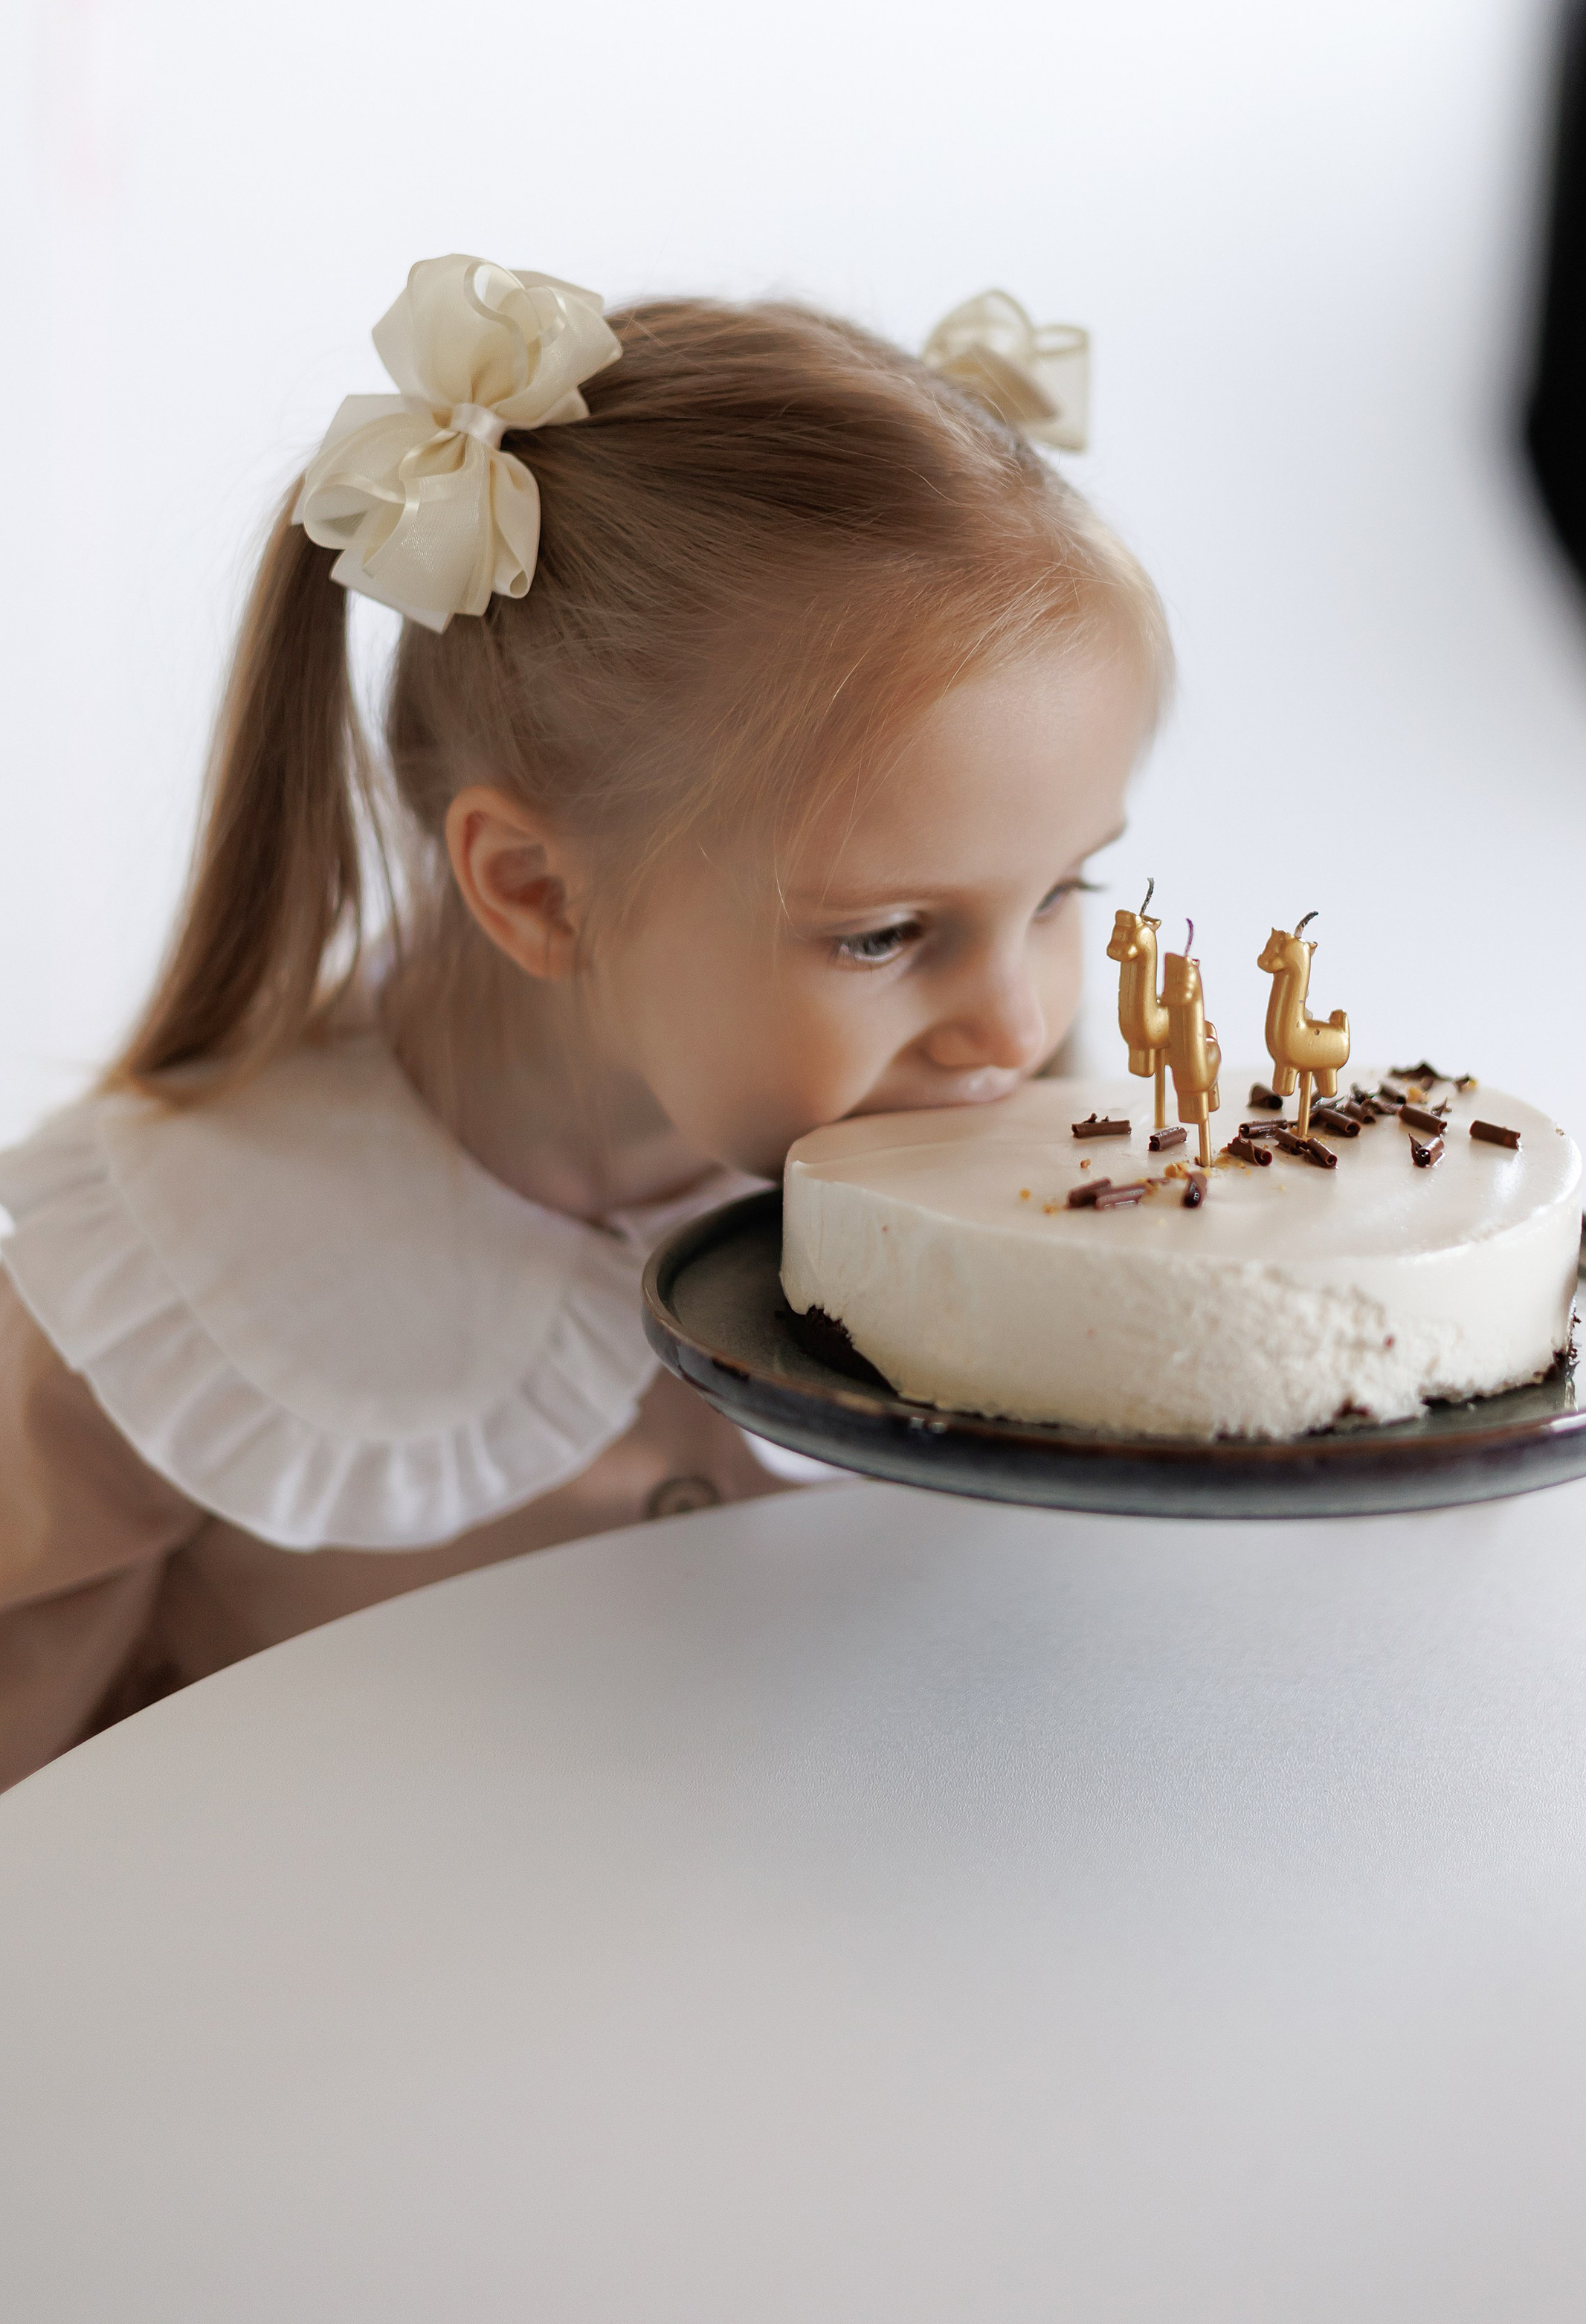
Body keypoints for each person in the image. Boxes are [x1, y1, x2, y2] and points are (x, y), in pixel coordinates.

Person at [0, 258, 1167, 1792]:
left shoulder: (1070, 1217)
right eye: (883, 934)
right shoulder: (165, 1298)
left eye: (1059, 891)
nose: (1010, 1026)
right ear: (537, 889)